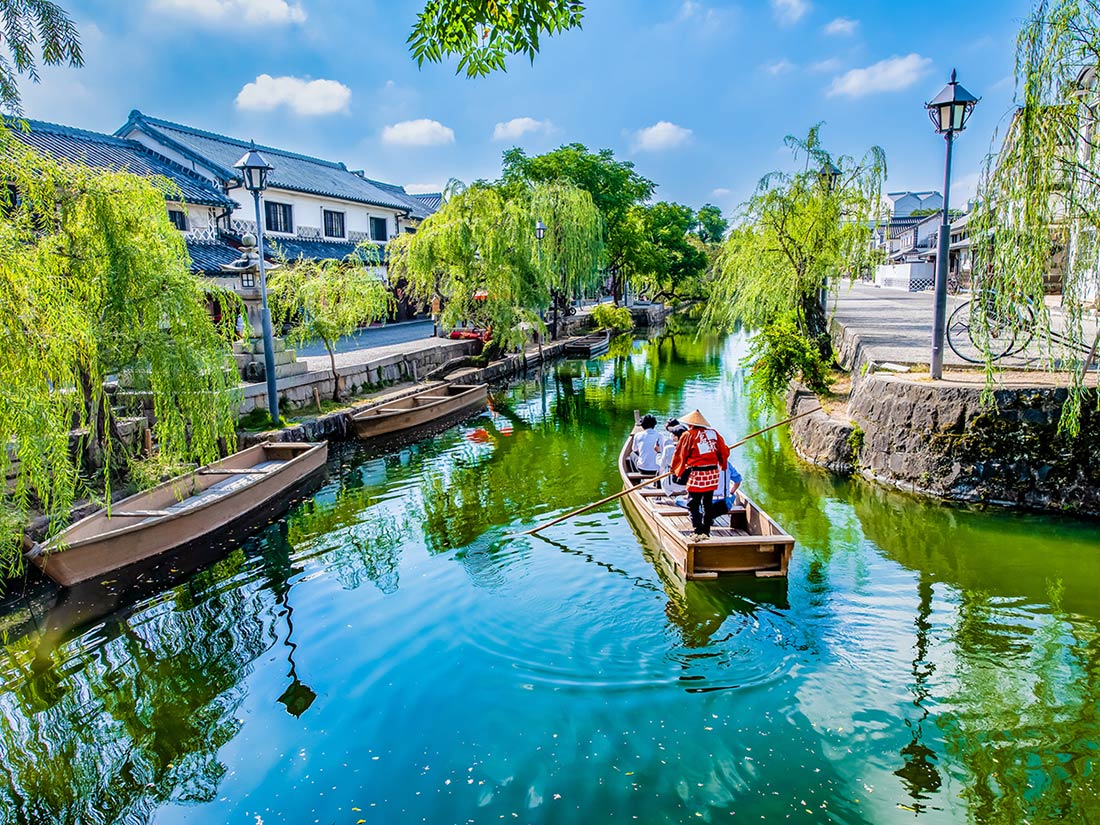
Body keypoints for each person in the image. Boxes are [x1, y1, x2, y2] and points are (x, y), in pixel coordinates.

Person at [670, 410, 730, 541]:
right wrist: (722, 460)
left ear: (691, 424)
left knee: (693, 503)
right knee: (707, 502)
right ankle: (706, 531)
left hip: (698, 473)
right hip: (713, 473)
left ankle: (698, 530)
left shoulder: (688, 435)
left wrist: (674, 469)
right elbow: (724, 451)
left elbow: (680, 454)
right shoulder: (713, 433)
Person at [659, 422, 688, 497]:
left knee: (663, 468)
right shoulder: (691, 449)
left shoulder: (669, 448)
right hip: (687, 486)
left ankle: (659, 490)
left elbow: (662, 466)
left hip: (670, 486)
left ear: (676, 437)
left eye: (673, 434)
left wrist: (658, 453)